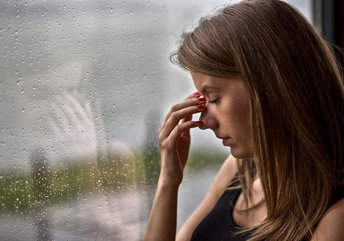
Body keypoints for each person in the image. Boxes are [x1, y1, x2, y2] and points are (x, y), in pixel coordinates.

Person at [143, 0, 344, 240]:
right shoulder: (240, 171)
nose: (204, 121)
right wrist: (168, 182)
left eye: (214, 98)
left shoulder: (335, 217)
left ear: (270, 86)